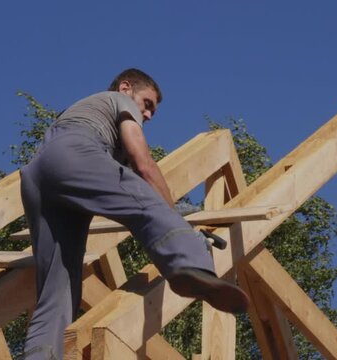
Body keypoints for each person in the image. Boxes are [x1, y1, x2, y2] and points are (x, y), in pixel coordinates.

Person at [21, 68, 250, 359]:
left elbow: (123, 184)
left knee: (59, 288)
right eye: (148, 104)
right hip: (73, 155)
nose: (150, 115)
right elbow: (144, 167)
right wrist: (184, 230)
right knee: (148, 203)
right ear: (126, 88)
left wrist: (168, 209)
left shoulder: (84, 113)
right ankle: (192, 265)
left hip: (36, 178)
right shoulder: (119, 101)